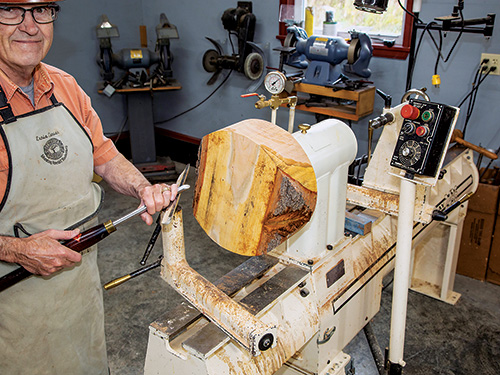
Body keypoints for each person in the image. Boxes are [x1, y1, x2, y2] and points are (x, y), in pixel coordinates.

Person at [0, 1, 178, 374]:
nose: (30, 26)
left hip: (80, 289)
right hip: (14, 306)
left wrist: (142, 187)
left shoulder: (66, 87)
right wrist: (16, 249)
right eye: (12, 10)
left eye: (42, 10)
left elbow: (105, 158)